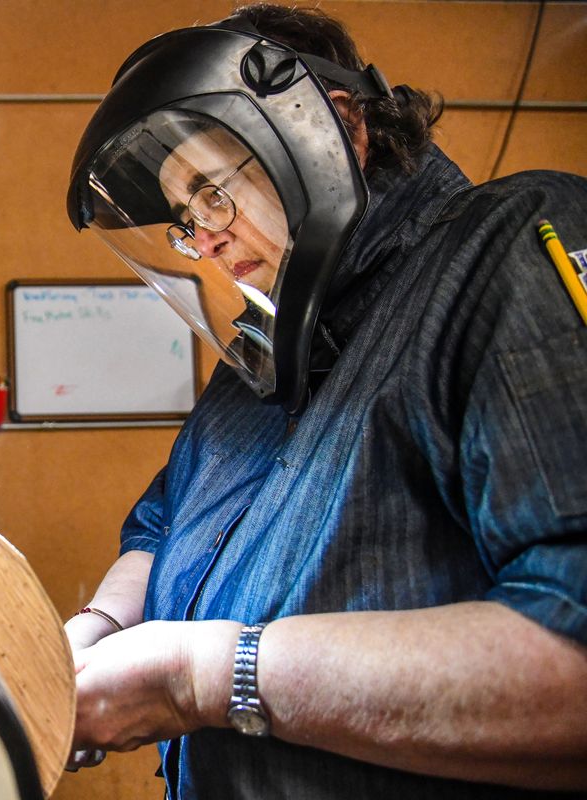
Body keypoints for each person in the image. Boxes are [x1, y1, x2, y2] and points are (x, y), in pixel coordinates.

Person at [62, 4, 587, 798]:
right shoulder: (268, 355)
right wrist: (94, 635)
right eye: (182, 221)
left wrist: (200, 678)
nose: (203, 242)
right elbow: (165, 530)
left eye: (211, 194)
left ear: (333, 130)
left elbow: (572, 656)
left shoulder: (504, 255)